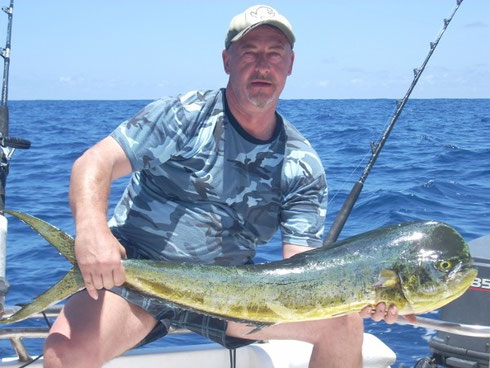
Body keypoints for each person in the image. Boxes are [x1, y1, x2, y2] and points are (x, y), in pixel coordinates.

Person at [43, 5, 406, 368]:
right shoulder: (185, 115)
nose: (263, 64)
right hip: (138, 281)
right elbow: (94, 162)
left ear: (290, 64)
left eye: (275, 53)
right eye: (250, 52)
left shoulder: (302, 165)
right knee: (65, 353)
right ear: (227, 60)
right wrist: (91, 230)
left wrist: (365, 297)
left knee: (344, 324)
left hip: (233, 297)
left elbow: (301, 268)